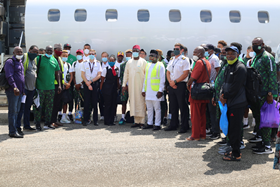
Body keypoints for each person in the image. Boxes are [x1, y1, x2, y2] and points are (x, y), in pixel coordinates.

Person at [249, 37, 278, 155]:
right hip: (258, 93)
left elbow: (272, 75)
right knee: (259, 118)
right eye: (253, 44)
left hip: (266, 93)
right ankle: (262, 140)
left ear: (263, 44)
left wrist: (270, 93)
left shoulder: (268, 57)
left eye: (257, 44)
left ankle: (267, 146)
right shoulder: (256, 57)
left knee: (266, 120)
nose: (255, 46)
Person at [219, 46, 247, 161]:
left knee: (235, 129)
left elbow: (236, 87)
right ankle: (232, 149)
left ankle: (236, 154)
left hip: (237, 103)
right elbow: (224, 83)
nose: (229, 55)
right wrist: (221, 94)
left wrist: (225, 96)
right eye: (227, 53)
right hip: (229, 102)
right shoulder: (228, 67)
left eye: (232, 53)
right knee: (231, 128)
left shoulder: (240, 68)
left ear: (237, 54)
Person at [34, 46, 62, 131]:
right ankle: (37, 124)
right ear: (45, 51)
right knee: (38, 106)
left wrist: (59, 85)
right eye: (48, 50)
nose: (49, 52)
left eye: (51, 51)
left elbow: (57, 73)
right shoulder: (39, 59)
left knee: (49, 106)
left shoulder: (54, 60)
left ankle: (47, 123)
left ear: (52, 51)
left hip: (51, 87)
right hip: (40, 87)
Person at [187, 46, 211, 140]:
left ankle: (195, 135)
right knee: (202, 115)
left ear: (200, 53)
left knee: (195, 115)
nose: (193, 54)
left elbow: (193, 77)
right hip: (204, 91)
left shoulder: (199, 62)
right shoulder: (207, 62)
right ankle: (202, 134)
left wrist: (188, 85)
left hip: (197, 91)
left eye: (195, 52)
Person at [165, 43, 190, 133]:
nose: (175, 50)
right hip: (172, 85)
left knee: (182, 106)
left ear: (182, 50)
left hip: (180, 85)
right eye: (174, 48)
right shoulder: (172, 59)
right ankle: (173, 124)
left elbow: (185, 73)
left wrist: (175, 82)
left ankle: (184, 126)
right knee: (173, 106)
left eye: (177, 48)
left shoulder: (185, 60)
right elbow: (168, 72)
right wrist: (170, 82)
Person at [16, 45, 39, 135]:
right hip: (24, 89)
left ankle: (26, 125)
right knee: (21, 108)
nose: (35, 54)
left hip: (31, 89)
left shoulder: (35, 60)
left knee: (28, 108)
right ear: (29, 50)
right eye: (33, 52)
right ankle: (17, 127)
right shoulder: (24, 57)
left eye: (36, 52)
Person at [122, 45, 147, 127]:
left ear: (139, 52)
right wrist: (123, 85)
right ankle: (136, 121)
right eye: (134, 50)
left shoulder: (143, 62)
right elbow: (126, 74)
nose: (135, 52)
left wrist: (145, 88)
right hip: (132, 87)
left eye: (137, 50)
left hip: (141, 87)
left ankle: (142, 121)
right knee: (133, 102)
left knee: (141, 103)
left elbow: (146, 75)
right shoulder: (129, 62)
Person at [142, 50, 165, 130]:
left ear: (157, 57)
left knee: (157, 109)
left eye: (153, 56)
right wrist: (143, 90)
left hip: (156, 91)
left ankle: (158, 124)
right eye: (150, 55)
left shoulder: (160, 65)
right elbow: (145, 78)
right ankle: (150, 123)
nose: (151, 57)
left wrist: (160, 91)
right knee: (149, 108)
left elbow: (162, 79)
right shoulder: (148, 65)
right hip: (148, 91)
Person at [5, 46, 25, 138]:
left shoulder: (20, 62)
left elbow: (22, 77)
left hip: (20, 91)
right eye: (18, 52)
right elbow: (9, 76)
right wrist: (14, 87)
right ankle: (12, 131)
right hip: (13, 91)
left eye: (21, 52)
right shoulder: (10, 62)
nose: (20, 54)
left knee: (17, 111)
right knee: (13, 111)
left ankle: (16, 129)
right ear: (13, 53)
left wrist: (23, 90)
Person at [81, 49, 102, 126]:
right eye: (90, 53)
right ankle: (85, 120)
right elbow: (82, 74)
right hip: (87, 84)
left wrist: (91, 82)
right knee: (86, 103)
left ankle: (95, 120)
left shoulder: (98, 63)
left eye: (93, 54)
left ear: (95, 55)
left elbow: (99, 75)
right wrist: (87, 83)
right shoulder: (85, 63)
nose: (91, 55)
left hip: (94, 84)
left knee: (94, 103)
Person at [206, 44, 221, 139]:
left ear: (210, 50)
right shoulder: (209, 58)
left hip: (213, 86)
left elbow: (218, 71)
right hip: (208, 86)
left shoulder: (214, 58)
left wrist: (215, 83)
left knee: (213, 110)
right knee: (209, 110)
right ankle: (212, 129)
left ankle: (216, 132)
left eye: (206, 49)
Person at [100, 55, 119, 126]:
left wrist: (118, 87)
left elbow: (117, 79)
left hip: (114, 89)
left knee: (113, 105)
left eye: (113, 61)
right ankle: (107, 121)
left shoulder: (117, 69)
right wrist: (101, 89)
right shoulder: (106, 69)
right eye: (110, 61)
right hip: (107, 89)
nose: (111, 62)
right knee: (107, 105)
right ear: (108, 61)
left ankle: (112, 120)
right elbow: (102, 80)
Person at [50, 44, 65, 128]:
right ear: (54, 50)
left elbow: (60, 72)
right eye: (58, 49)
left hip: (60, 84)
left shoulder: (59, 59)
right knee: (52, 104)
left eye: (61, 50)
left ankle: (55, 120)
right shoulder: (51, 59)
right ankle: (50, 121)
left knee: (57, 104)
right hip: (54, 85)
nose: (60, 51)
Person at [63, 43, 76, 121]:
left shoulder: (73, 58)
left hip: (69, 83)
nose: (67, 49)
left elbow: (72, 73)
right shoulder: (59, 61)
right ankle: (61, 114)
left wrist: (70, 83)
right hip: (62, 84)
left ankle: (70, 113)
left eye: (68, 48)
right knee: (62, 101)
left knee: (70, 99)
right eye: (66, 48)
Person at [119, 49, 132, 125]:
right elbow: (121, 76)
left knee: (132, 103)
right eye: (127, 55)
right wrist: (124, 85)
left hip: (133, 87)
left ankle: (133, 117)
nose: (128, 56)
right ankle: (123, 117)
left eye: (129, 55)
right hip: (124, 87)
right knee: (124, 102)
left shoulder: (134, 65)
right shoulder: (122, 65)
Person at [60, 50, 73, 124]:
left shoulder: (68, 65)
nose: (65, 57)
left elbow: (71, 75)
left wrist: (69, 83)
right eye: (63, 56)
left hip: (67, 86)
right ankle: (58, 116)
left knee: (66, 102)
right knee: (58, 102)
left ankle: (64, 117)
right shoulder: (58, 64)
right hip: (60, 85)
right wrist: (64, 83)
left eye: (66, 56)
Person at [99, 52, 110, 121]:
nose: (104, 57)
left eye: (105, 56)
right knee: (101, 100)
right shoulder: (99, 64)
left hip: (107, 84)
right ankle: (102, 114)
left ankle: (107, 114)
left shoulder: (109, 65)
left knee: (107, 100)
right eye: (103, 56)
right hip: (100, 83)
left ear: (108, 57)